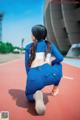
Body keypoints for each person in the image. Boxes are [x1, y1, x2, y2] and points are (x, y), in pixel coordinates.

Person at [25, 25, 63, 115]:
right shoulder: (50, 45)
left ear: (34, 36)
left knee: (29, 96)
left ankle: (36, 95)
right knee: (58, 64)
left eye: (32, 33)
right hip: (51, 75)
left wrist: (30, 78)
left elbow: (27, 66)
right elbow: (60, 58)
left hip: (34, 77)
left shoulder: (28, 47)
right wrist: (53, 63)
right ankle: (55, 87)